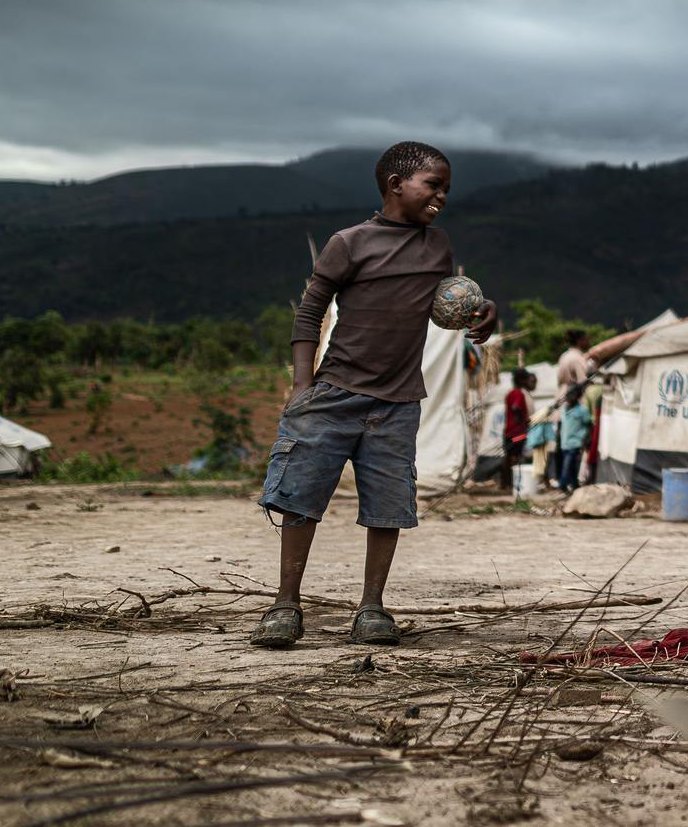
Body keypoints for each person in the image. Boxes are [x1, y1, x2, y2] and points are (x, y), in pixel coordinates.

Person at [251, 142, 497, 649]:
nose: (442, 196)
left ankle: (372, 608)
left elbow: (445, 304)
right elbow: (309, 312)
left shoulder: (439, 246)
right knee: (300, 497)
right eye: (433, 185)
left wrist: (483, 309)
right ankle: (286, 605)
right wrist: (302, 385)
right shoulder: (350, 243)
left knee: (388, 506)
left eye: (446, 187)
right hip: (334, 392)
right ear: (395, 185)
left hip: (398, 402)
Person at [498, 367, 536, 491]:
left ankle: (505, 483)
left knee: (508, 457)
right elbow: (516, 407)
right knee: (515, 457)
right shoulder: (518, 393)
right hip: (517, 432)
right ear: (521, 380)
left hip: (509, 431)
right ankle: (514, 483)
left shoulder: (509, 393)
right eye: (526, 379)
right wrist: (522, 422)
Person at [555, 382, 592, 491]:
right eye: (568, 394)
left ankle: (562, 486)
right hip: (564, 443)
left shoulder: (582, 410)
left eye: (573, 394)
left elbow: (589, 425)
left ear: (578, 396)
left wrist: (586, 439)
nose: (569, 396)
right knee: (571, 468)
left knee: (567, 465)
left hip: (575, 443)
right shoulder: (564, 409)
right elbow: (562, 424)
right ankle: (575, 486)